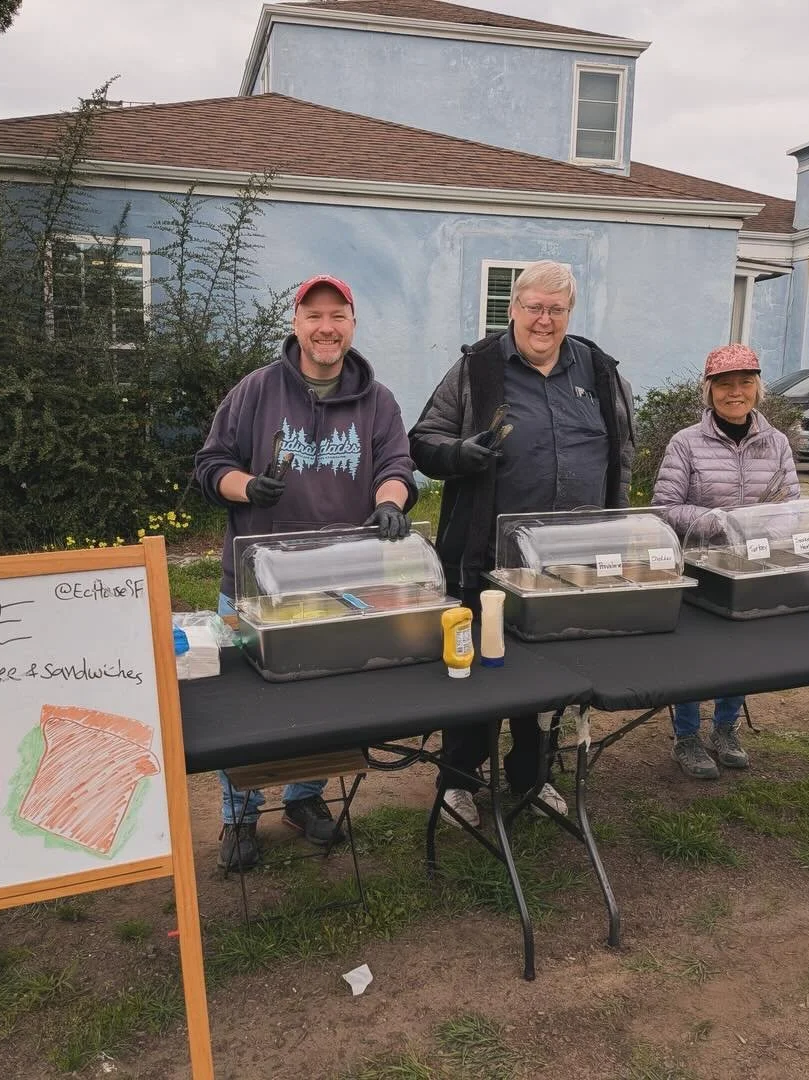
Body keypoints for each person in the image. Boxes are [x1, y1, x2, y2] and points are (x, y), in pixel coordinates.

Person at [193, 274, 417, 870]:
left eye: (337, 315)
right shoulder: (256, 391)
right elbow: (210, 465)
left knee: (328, 701)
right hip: (253, 581)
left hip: (342, 583)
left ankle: (305, 799)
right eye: (314, 315)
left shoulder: (379, 401)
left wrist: (390, 501)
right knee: (243, 708)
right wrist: (247, 486)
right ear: (296, 323)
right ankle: (239, 814)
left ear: (352, 324)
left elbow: (396, 465)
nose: (326, 327)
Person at [409, 261, 634, 826]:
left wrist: (618, 531)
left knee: (552, 673)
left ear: (569, 314)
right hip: (486, 557)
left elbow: (621, 455)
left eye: (556, 310)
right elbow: (423, 440)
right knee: (478, 670)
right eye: (534, 307)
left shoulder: (600, 372)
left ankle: (532, 778)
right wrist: (460, 454)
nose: (544, 319)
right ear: (512, 308)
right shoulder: (477, 369)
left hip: (568, 563)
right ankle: (459, 781)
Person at [652, 342, 800, 779]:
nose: (735, 392)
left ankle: (726, 727)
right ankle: (687, 735)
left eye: (745, 383)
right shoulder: (687, 443)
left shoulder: (776, 444)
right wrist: (719, 522)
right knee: (695, 653)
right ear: (709, 391)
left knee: (742, 651)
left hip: (753, 564)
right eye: (725, 385)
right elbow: (664, 508)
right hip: (699, 565)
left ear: (757, 389)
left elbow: (790, 505)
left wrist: (758, 530)